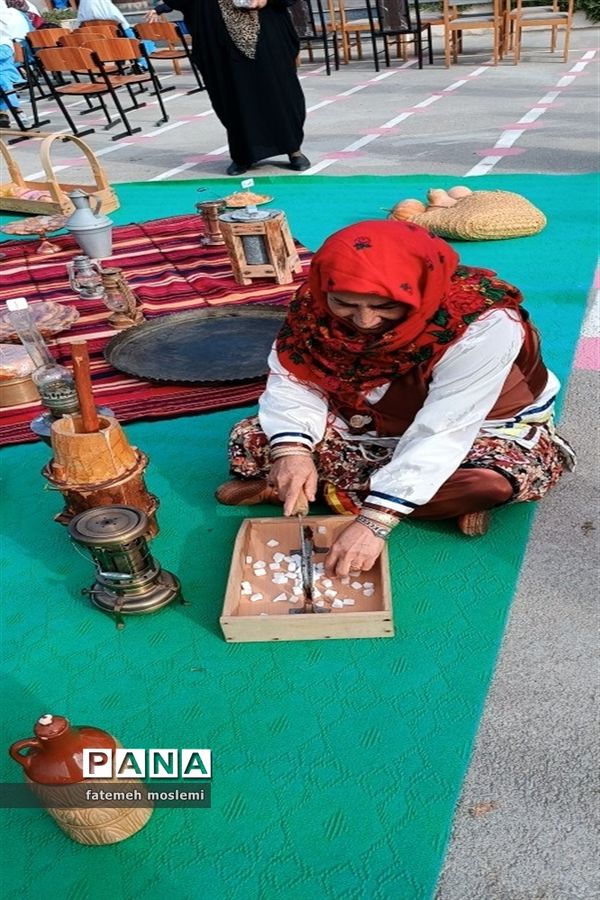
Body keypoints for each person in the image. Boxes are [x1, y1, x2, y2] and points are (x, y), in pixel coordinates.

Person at [215, 220, 575, 576]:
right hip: (363, 420)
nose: (365, 322)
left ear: (421, 291)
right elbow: (295, 379)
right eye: (344, 303)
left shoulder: (484, 324)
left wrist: (375, 522)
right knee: (253, 437)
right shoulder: (313, 305)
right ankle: (425, 503)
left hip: (477, 427)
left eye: (386, 307)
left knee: (488, 481)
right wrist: (292, 452)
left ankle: (322, 492)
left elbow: (445, 429)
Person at [160, 0, 309, 176]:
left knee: (279, 91)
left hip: (265, 30)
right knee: (232, 96)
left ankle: (293, 148)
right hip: (218, 37)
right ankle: (242, 155)